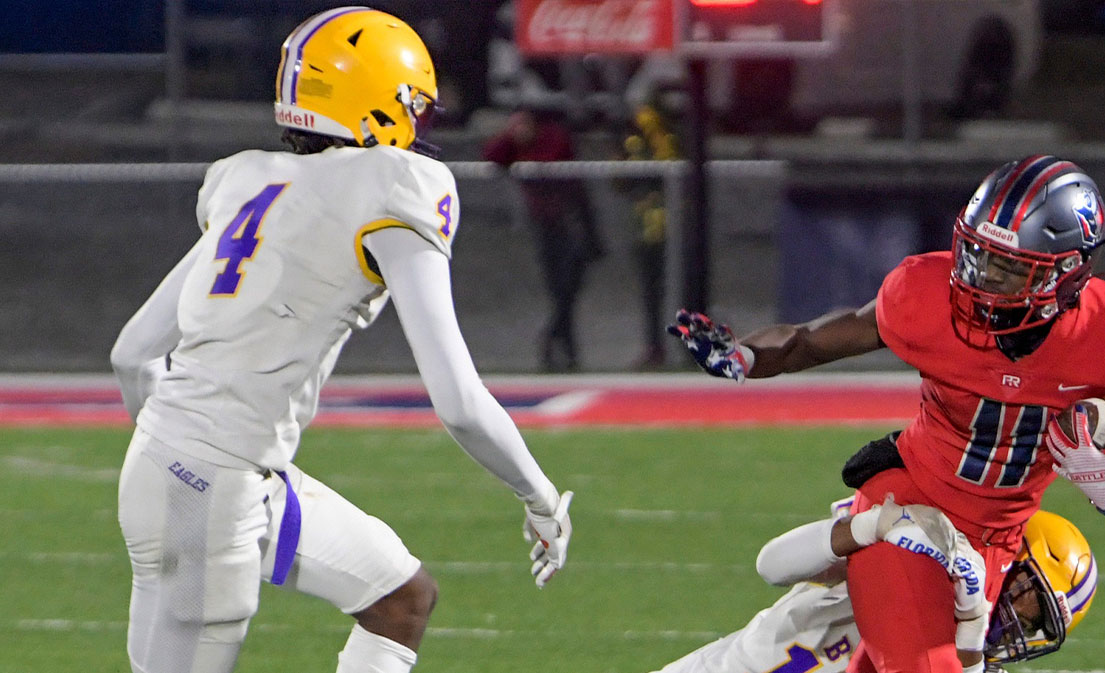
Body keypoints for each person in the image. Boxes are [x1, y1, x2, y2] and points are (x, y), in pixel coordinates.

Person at [109, 9, 573, 673]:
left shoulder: (246, 178)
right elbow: (459, 401)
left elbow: (132, 352)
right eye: (412, 104)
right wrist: (540, 496)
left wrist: (175, 451)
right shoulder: (393, 185)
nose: (418, 123)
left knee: (399, 597)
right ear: (379, 101)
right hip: (215, 481)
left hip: (196, 466)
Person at [669, 156, 1105, 672]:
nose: (981, 280)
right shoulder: (926, 294)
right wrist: (745, 356)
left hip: (994, 546)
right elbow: (809, 341)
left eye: (1008, 269)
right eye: (977, 256)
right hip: (905, 505)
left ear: (1068, 272)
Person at [650, 506, 1095, 673]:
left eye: (1033, 625)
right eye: (1025, 600)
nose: (1014, 628)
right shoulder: (912, 558)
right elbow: (771, 565)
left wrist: (971, 635)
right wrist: (873, 526)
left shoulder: (964, 660)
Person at [482, 108, 604, 372]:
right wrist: (510, 136)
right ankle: (565, 351)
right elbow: (492, 155)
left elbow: (550, 163)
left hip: (573, 220)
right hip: (546, 226)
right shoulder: (516, 146)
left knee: (570, 287)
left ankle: (553, 340)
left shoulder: (553, 139)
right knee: (558, 289)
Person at [617, 97, 681, 370]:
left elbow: (671, 165)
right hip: (648, 229)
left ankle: (688, 348)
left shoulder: (670, 138)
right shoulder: (633, 143)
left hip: (676, 229)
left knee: (681, 291)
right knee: (652, 293)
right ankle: (655, 348)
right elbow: (621, 180)